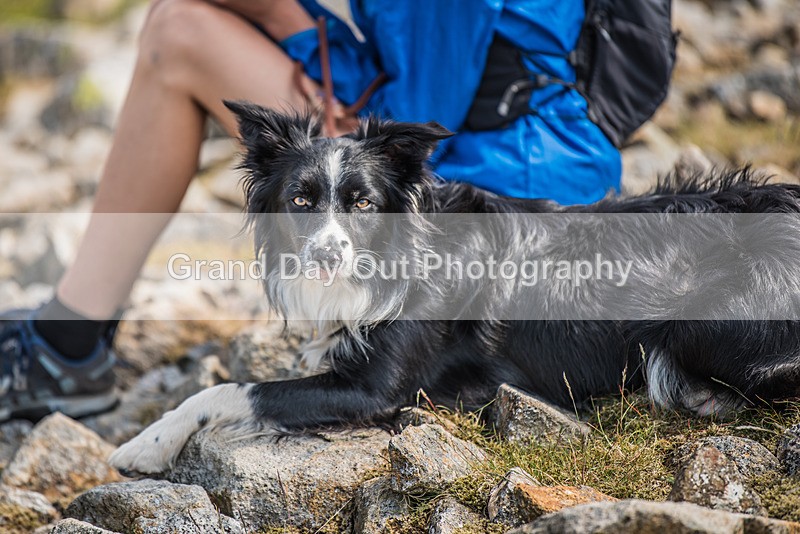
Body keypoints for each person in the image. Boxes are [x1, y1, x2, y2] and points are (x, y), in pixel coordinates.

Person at [0, 0, 621, 422]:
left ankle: (67, 345)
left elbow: (426, 110)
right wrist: (290, 18)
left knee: (178, 33)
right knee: (179, 21)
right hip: (480, 131)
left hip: (502, 173)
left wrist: (278, 14)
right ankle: (69, 330)